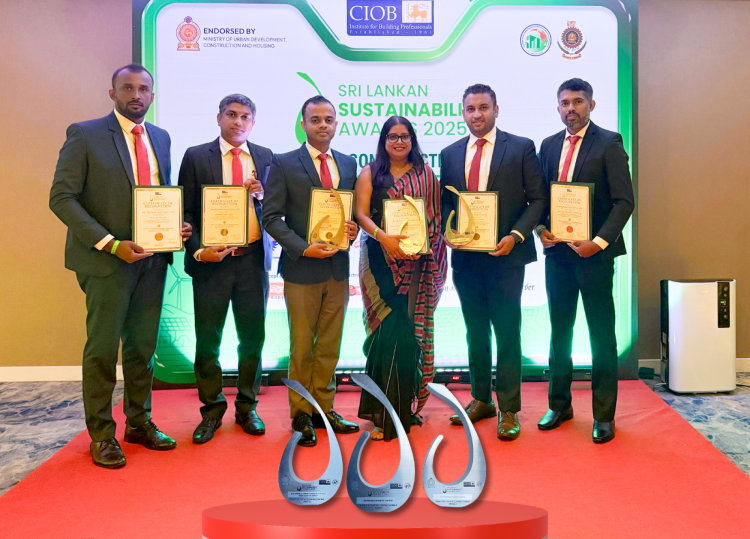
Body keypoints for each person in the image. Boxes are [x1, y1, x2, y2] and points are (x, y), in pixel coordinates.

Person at [49, 64, 192, 468]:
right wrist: (112, 244)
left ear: (152, 95)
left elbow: (158, 195)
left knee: (143, 347)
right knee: (102, 350)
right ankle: (101, 434)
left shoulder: (160, 137)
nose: (136, 95)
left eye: (143, 88)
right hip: (106, 261)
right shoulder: (85, 134)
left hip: (153, 261)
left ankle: (139, 423)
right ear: (112, 93)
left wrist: (176, 224)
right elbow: (61, 198)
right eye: (127, 88)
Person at [440, 83, 546, 441]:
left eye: (483, 107)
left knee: (507, 332)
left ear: (496, 110)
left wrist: (515, 235)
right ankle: (482, 399)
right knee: (475, 332)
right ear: (463, 112)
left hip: (506, 256)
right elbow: (446, 202)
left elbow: (538, 199)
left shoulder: (520, 147)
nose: (477, 114)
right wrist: (449, 230)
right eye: (470, 108)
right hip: (466, 260)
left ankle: (509, 408)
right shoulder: (450, 153)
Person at [536, 78, 634, 444]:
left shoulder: (609, 143)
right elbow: (541, 198)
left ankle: (604, 415)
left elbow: (624, 201)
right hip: (558, 256)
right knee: (560, 332)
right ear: (558, 107)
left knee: (601, 335)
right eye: (565, 103)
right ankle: (559, 404)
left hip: (594, 257)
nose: (571, 109)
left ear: (591, 105)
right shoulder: (548, 146)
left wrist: (598, 242)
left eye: (578, 101)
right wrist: (541, 229)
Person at [262, 96, 360, 447]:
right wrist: (303, 247)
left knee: (330, 345)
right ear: (303, 124)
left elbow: (351, 215)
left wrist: (353, 231)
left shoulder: (348, 164)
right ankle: (301, 413)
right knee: (302, 346)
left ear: (336, 124)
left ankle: (324, 409)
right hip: (301, 268)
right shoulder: (284, 162)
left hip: (337, 268)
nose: (322, 125)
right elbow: (271, 217)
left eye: (328, 119)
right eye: (315, 119)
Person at [179, 94, 273, 444]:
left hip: (251, 261)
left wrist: (263, 195)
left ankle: (247, 406)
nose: (238, 121)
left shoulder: (266, 157)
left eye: (245, 116)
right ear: (219, 118)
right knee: (208, 341)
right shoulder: (195, 156)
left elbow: (278, 208)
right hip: (212, 263)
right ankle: (212, 410)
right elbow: (185, 211)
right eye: (231, 114)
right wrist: (198, 250)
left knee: (252, 340)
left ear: (253, 122)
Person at [354, 116, 447, 441]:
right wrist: (384, 237)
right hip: (379, 261)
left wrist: (422, 245)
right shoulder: (370, 173)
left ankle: (403, 410)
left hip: (417, 264)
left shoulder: (426, 174)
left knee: (409, 337)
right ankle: (382, 416)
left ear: (412, 140)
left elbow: (434, 217)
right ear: (384, 141)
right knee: (385, 334)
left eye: (404, 136)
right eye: (392, 136)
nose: (398, 142)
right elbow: (361, 214)